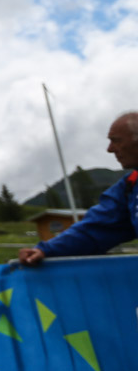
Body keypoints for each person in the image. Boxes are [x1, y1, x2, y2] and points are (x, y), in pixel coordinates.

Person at [17, 111, 138, 265]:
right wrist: (47, 250)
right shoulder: (130, 186)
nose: (110, 149)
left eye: (117, 140)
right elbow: (96, 228)